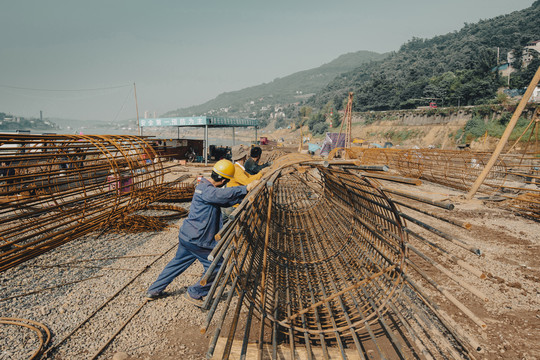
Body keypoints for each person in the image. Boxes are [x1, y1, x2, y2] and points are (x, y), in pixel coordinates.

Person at [146, 159, 258, 306]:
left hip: (187, 236)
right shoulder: (207, 191)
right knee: (217, 268)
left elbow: (224, 199)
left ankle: (154, 290)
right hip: (199, 240)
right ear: (224, 179)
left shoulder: (204, 186)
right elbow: (221, 195)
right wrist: (245, 188)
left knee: (176, 264)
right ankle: (195, 293)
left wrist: (243, 193)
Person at [221, 145, 266, 222]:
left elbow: (251, 176)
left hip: (232, 204)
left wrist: (261, 173)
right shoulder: (237, 170)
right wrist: (262, 173)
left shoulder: (239, 169)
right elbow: (248, 181)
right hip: (232, 206)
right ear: (244, 156)